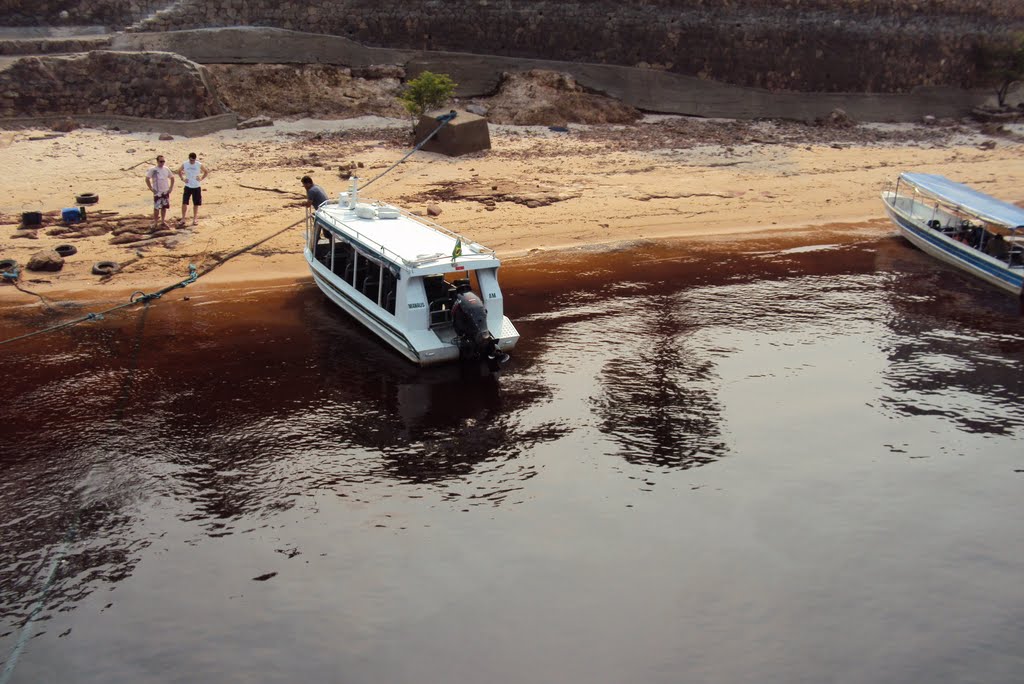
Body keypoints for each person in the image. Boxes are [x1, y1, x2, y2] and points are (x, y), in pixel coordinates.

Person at [177, 152, 208, 226]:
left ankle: (195, 219)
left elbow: (206, 171)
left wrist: (201, 178)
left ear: (195, 159)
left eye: (193, 160)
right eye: (191, 160)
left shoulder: (198, 164)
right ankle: (183, 218)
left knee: (196, 203)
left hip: (196, 186)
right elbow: (179, 171)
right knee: (184, 202)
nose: (192, 162)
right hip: (188, 186)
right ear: (189, 158)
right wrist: (183, 179)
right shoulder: (185, 163)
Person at [145, 155, 175, 229]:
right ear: (157, 161)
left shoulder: (166, 169)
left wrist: (170, 188)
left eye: (163, 161)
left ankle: (162, 221)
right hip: (158, 192)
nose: (162, 163)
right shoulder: (153, 170)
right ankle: (155, 222)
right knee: (156, 207)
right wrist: (151, 188)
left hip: (165, 191)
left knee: (164, 207)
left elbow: (172, 178)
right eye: (161, 161)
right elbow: (147, 179)